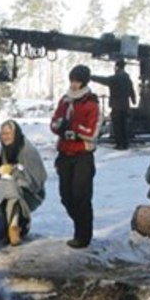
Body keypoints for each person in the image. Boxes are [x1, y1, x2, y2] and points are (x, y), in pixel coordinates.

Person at [50, 65, 100, 248]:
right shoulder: (64, 101)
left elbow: (93, 131)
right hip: (65, 154)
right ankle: (79, 224)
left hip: (82, 156)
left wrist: (75, 129)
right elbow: (54, 122)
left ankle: (83, 235)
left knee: (81, 197)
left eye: (77, 81)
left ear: (84, 82)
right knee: (66, 196)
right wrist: (59, 126)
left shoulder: (91, 103)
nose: (73, 84)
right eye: (72, 80)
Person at [0, 119, 46, 246]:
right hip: (4, 191)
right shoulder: (2, 151)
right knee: (3, 188)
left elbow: (37, 179)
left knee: (9, 188)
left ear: (16, 134)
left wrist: (13, 173)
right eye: (3, 134)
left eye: (8, 133)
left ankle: (15, 225)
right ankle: (9, 228)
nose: (5, 137)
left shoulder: (28, 150)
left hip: (31, 193)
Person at [107, 58, 136, 149]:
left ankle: (120, 144)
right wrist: (133, 100)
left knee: (117, 126)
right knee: (124, 125)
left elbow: (104, 80)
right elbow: (132, 90)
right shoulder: (127, 78)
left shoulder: (115, 78)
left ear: (117, 67)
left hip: (116, 106)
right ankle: (125, 143)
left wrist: (90, 76)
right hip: (125, 105)